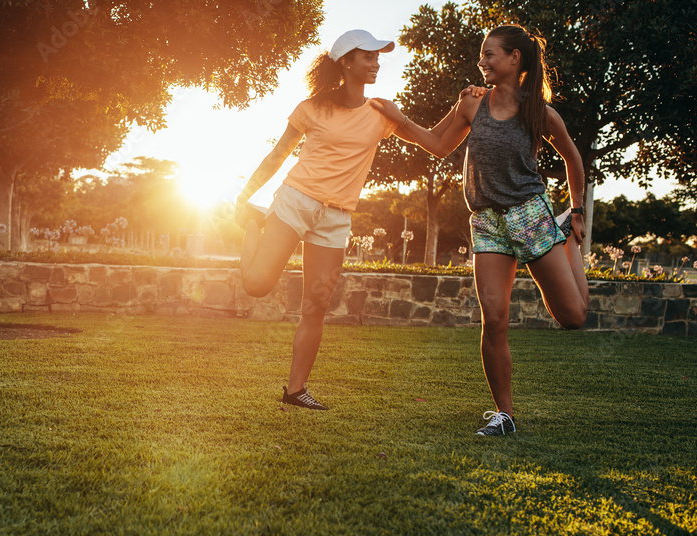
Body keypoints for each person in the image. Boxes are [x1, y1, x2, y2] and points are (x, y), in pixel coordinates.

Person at [236, 29, 482, 410]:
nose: (376, 62)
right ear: (346, 61)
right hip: (296, 201)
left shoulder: (381, 112)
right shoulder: (312, 108)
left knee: (317, 303)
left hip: (337, 217)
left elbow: (436, 143)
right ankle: (255, 223)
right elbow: (277, 155)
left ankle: (295, 391)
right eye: (368, 56)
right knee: (255, 284)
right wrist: (244, 196)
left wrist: (460, 105)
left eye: (378, 57)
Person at [367, 24, 589, 435]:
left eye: (489, 54)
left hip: (530, 214)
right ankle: (504, 415)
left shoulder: (538, 112)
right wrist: (398, 119)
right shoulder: (472, 105)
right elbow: (436, 143)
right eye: (481, 55)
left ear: (514, 59)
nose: (481, 61)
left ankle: (567, 243)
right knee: (495, 319)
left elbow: (574, 160)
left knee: (573, 317)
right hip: (487, 222)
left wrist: (576, 212)